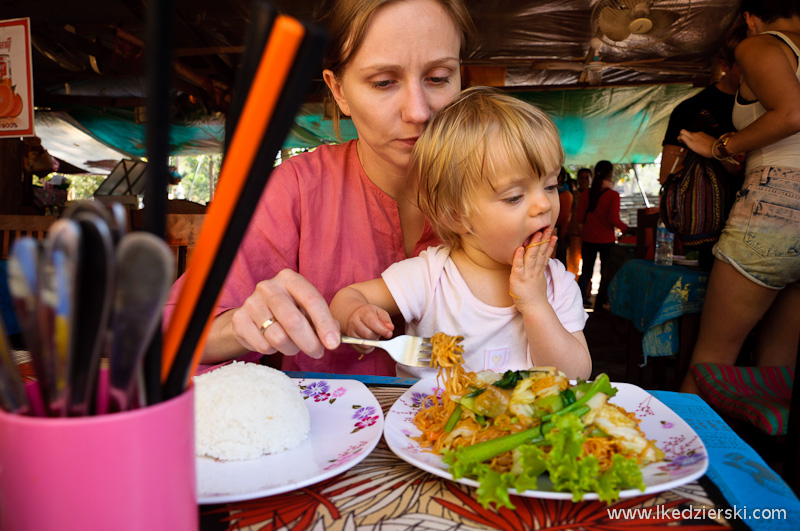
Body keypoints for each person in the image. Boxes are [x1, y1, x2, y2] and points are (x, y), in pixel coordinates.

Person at [162, 0, 477, 375]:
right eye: (383, 82)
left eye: (439, 78)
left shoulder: (505, 186)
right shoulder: (297, 189)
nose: (418, 111)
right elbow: (171, 335)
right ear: (339, 90)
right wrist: (243, 326)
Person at [329, 87, 591, 380]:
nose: (544, 204)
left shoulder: (556, 284)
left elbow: (576, 375)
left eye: (551, 185)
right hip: (428, 423)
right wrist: (355, 315)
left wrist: (534, 303)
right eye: (515, 197)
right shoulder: (432, 277)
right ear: (455, 216)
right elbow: (348, 297)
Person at [677, 0, 800, 394]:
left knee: (711, 362)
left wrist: (721, 147)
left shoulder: (762, 44)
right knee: (779, 370)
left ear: (750, 17)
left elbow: (793, 113)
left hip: (777, 204)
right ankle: (756, 456)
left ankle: (677, 456)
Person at [659, 23, 747, 270]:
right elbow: (668, 174)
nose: (755, 71)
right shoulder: (690, 110)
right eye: (744, 64)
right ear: (724, 65)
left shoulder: (774, 107)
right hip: (714, 228)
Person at [576, 161, 628, 309]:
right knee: (606, 273)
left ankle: (578, 303)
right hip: (606, 239)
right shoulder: (613, 195)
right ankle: (599, 304)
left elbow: (580, 218)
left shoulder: (586, 194)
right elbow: (613, 219)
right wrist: (627, 228)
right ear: (610, 174)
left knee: (586, 271)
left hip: (588, 237)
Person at [565, 167, 591, 276]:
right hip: (574, 234)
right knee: (573, 264)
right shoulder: (573, 195)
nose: (584, 181)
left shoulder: (593, 196)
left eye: (586, 178)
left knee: (588, 266)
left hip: (590, 236)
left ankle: (586, 290)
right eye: (581, 178)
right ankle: (573, 289)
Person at [554, 167, 573, 267]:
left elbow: (565, 218)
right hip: (555, 231)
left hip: (559, 231)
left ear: (560, 177)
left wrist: (561, 235)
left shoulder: (565, 194)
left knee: (558, 263)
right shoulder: (555, 192)